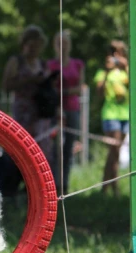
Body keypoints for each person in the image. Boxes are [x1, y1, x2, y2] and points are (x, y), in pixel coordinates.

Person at [0, 25, 52, 196]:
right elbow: (6, 85)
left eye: (38, 45)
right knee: (20, 149)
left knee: (40, 151)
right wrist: (29, 80)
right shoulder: (16, 61)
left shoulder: (43, 63)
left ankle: (36, 190)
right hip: (22, 112)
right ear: (25, 44)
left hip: (40, 112)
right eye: (32, 45)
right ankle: (13, 188)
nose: (35, 49)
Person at [47, 30, 84, 193]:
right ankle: (53, 184)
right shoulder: (50, 65)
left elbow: (80, 88)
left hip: (72, 109)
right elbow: (49, 86)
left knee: (68, 148)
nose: (62, 47)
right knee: (55, 149)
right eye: (59, 43)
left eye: (65, 43)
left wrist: (64, 91)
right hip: (56, 110)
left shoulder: (77, 64)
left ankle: (65, 185)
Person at [94, 40, 132, 196]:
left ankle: (107, 189)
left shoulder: (127, 72)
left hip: (126, 115)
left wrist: (127, 68)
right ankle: (110, 188)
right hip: (110, 115)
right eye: (112, 52)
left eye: (118, 52)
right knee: (114, 150)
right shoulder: (103, 73)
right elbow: (99, 93)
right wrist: (108, 72)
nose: (115, 56)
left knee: (115, 152)